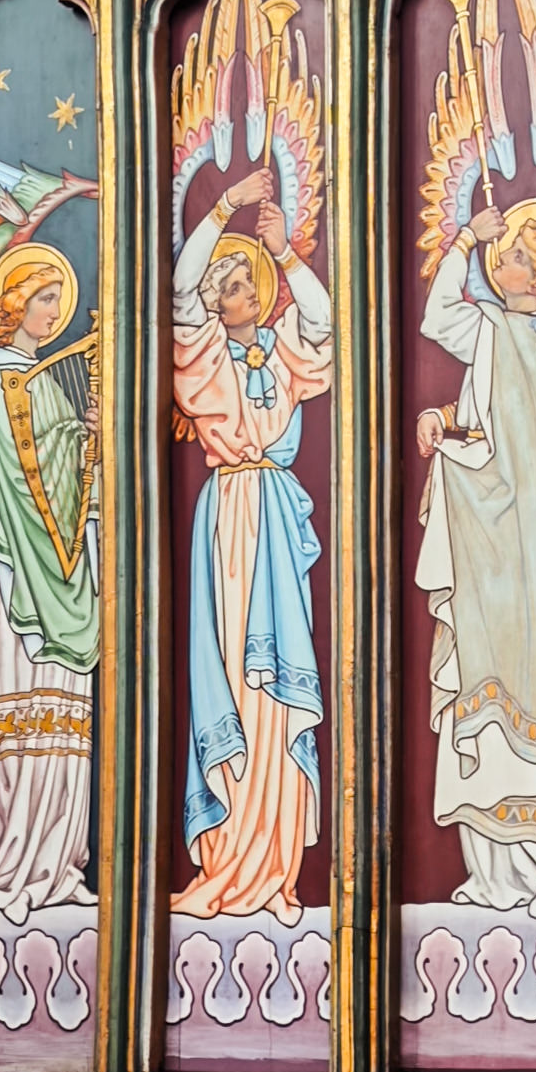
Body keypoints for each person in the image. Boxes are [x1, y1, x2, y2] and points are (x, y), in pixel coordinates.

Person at [171, 172, 334, 920]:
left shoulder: (282, 349)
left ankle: (277, 869)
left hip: (273, 514)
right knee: (236, 674)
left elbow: (322, 321)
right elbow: (180, 292)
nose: (238, 292)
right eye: (227, 285)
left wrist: (287, 253)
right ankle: (230, 855)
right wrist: (224, 207)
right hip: (231, 514)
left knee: (278, 688)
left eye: (245, 282)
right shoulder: (205, 354)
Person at [417, 195, 536, 911]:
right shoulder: (512, 343)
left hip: (503, 546)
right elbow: (492, 424)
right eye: (502, 251)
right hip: (509, 545)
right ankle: (498, 874)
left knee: (503, 686)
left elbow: (438, 317)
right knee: (497, 694)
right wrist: (445, 419)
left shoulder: (503, 334)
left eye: (512, 256)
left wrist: (462, 241)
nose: (498, 260)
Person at [0, 238, 99, 919]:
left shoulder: (52, 389)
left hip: (67, 576)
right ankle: (11, 864)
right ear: (12, 305)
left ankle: (60, 865)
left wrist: (89, 440)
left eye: (56, 299)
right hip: (13, 575)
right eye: (43, 298)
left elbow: (72, 485)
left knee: (67, 732)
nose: (52, 311)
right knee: (18, 728)